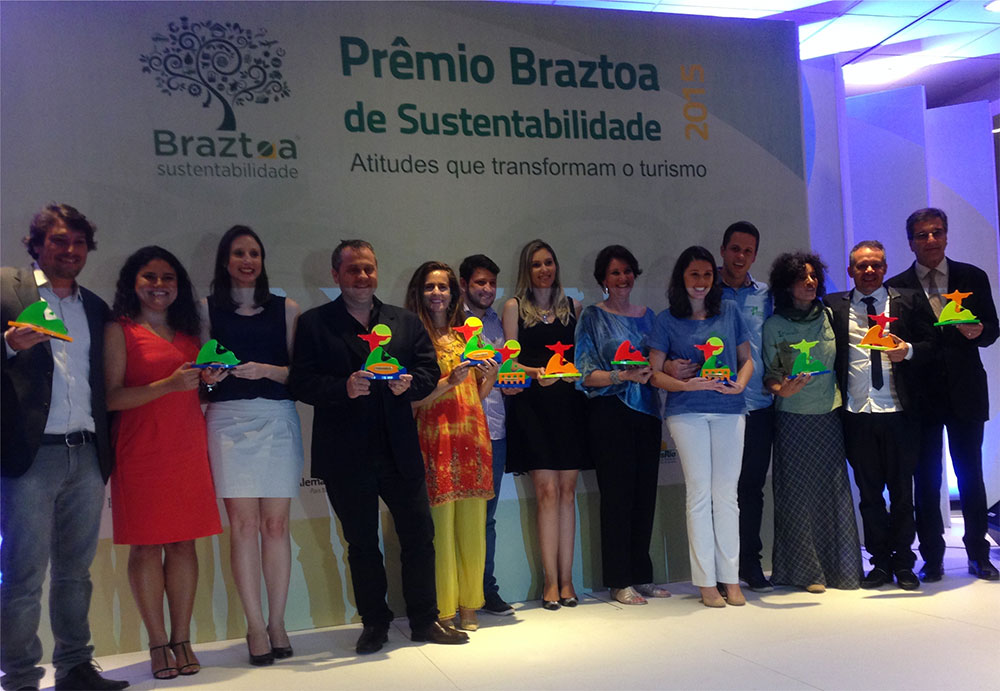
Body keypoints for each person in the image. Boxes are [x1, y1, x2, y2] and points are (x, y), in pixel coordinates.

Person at [287, 240, 467, 654]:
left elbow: (428, 370)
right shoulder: (315, 323)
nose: (363, 276)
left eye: (368, 268)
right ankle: (374, 623)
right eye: (353, 269)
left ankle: (425, 619)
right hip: (345, 453)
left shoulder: (404, 321)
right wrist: (343, 387)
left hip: (399, 447)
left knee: (419, 536)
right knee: (362, 544)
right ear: (336, 275)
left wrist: (411, 385)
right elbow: (301, 383)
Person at [1, 204, 129, 691]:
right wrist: (8, 346)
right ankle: (20, 679)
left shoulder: (94, 306)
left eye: (78, 242)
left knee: (76, 573)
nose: (70, 250)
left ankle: (75, 667)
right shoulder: (6, 288)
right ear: (37, 244)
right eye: (58, 240)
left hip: (87, 453)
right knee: (23, 575)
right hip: (30, 456)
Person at [104, 246, 223, 679]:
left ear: (179, 285)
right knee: (146, 546)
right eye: (149, 277)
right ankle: (157, 643)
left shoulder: (190, 333)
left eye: (167, 277)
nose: (159, 285)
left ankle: (182, 639)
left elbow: (196, 393)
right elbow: (111, 398)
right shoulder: (119, 330)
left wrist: (209, 383)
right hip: (140, 451)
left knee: (184, 544)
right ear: (133, 283)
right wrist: (167, 385)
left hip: (187, 447)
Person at [197, 226, 304, 665]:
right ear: (225, 261)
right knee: (242, 527)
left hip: (278, 418)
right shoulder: (206, 309)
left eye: (254, 253)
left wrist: (267, 370)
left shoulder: (287, 309)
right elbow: (202, 382)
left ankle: (278, 623)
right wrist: (209, 378)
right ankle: (255, 626)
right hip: (227, 421)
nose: (247, 261)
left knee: (276, 526)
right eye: (239, 253)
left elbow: (303, 374)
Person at [886, 208, 999, 581]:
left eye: (937, 232)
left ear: (947, 235)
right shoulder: (896, 286)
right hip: (920, 396)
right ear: (911, 242)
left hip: (967, 391)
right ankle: (932, 557)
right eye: (922, 235)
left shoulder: (972, 276)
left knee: (971, 476)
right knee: (926, 479)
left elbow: (992, 329)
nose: (931, 240)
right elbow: (899, 341)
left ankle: (979, 554)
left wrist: (979, 331)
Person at [824, 240, 936, 590]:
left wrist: (910, 350)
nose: (869, 270)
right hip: (857, 414)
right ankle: (880, 563)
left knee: (903, 493)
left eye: (876, 265)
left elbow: (934, 344)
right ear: (850, 270)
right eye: (862, 265)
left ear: (885, 268)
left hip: (900, 413)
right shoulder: (833, 306)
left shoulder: (909, 301)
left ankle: (904, 563)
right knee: (869, 495)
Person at [648, 246, 753, 608]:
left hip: (730, 410)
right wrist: (685, 385)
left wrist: (740, 384)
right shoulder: (666, 320)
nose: (701, 281)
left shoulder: (730, 311)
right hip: (687, 411)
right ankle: (706, 582)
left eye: (708, 274)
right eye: (694, 274)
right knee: (699, 494)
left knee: (726, 496)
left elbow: (747, 360)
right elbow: (654, 374)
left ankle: (730, 579)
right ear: (682, 277)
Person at [574, 245, 670, 605]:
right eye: (615, 272)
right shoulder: (592, 317)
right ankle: (618, 580)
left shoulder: (650, 317)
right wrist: (623, 375)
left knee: (644, 497)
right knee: (617, 498)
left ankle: (641, 575)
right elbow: (584, 374)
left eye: (627, 271)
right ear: (603, 278)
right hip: (610, 413)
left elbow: (660, 364)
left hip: (648, 413)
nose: (623, 278)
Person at [761, 252, 862, 592]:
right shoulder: (774, 324)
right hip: (792, 418)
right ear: (786, 284)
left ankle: (841, 570)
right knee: (797, 496)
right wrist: (781, 389)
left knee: (834, 492)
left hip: (829, 415)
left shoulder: (830, 315)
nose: (810, 282)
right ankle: (807, 572)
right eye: (801, 277)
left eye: (813, 276)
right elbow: (770, 375)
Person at [406, 261, 495, 632]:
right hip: (434, 436)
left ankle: (470, 604)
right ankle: (443, 609)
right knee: (439, 529)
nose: (437, 293)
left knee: (473, 526)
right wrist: (447, 382)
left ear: (453, 292)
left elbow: (477, 393)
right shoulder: (413, 337)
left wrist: (490, 375)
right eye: (430, 287)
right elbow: (410, 400)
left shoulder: (467, 335)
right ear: (419, 292)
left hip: (471, 436)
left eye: (443, 287)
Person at [501, 239, 589, 610]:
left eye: (548, 262)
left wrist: (572, 372)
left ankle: (568, 581)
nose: (544, 270)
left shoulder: (574, 307)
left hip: (569, 407)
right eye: (536, 264)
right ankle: (550, 582)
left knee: (567, 492)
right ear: (527, 270)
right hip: (533, 408)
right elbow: (509, 362)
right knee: (547, 492)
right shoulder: (513, 307)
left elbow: (583, 358)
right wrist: (538, 372)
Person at [459, 254, 516, 616]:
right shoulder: (452, 321)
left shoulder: (496, 321)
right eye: (480, 282)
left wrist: (516, 381)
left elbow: (505, 370)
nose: (487, 289)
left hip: (495, 430)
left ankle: (484, 590)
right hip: (460, 431)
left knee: (487, 518)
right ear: (464, 284)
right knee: (457, 516)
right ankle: (457, 593)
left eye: (492, 283)